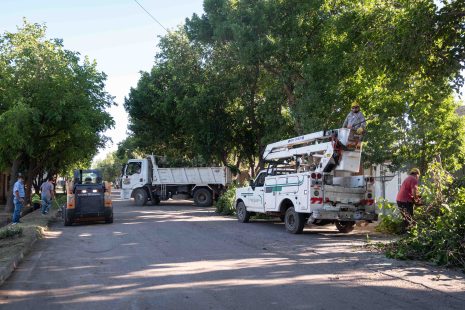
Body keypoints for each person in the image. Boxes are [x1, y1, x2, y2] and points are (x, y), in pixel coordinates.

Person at [396, 168, 421, 232]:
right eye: (418, 176)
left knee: (406, 217)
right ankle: (409, 232)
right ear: (417, 174)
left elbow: (410, 191)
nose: (418, 178)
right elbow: (414, 192)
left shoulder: (408, 178)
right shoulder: (413, 179)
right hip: (405, 200)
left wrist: (415, 198)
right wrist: (417, 200)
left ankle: (404, 231)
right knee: (409, 217)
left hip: (399, 200)